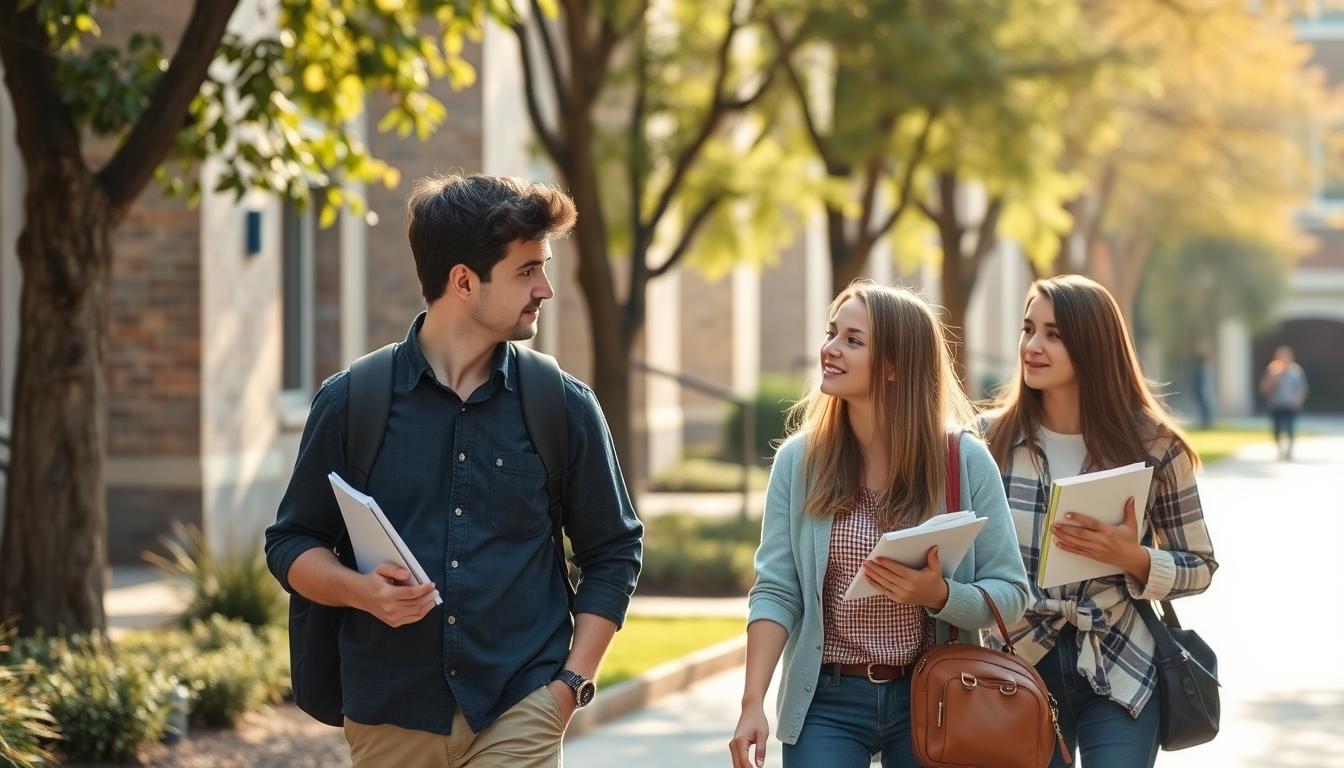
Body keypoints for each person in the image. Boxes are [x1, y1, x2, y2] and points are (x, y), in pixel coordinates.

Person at [265, 174, 642, 768]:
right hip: (391, 714)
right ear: (464, 281)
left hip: (521, 707)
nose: (545, 289)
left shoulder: (562, 405)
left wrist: (570, 686)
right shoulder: (351, 401)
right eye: (526, 271)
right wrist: (360, 592)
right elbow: (291, 542)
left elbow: (615, 549)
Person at [730, 280, 1030, 768]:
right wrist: (751, 704)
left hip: (931, 697)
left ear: (894, 365)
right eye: (832, 334)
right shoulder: (799, 462)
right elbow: (777, 590)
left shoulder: (964, 461)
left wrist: (939, 595)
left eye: (853, 340)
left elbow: (1013, 593)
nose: (830, 350)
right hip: (825, 698)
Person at [982, 275, 1217, 768]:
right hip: (1016, 666)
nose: (1033, 345)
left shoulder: (1155, 447)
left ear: (1092, 344)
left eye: (1054, 334)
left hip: (1121, 661)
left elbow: (1199, 566)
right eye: (1029, 329)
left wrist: (1131, 557)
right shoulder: (985, 444)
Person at [1259, 345, 1308, 460]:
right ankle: (1279, 449)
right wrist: (1274, 378)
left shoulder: (1296, 371)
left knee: (1290, 428)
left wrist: (1297, 400)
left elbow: (1302, 388)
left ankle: (1289, 451)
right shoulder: (1272, 369)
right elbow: (1264, 388)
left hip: (1290, 406)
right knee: (1276, 429)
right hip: (1276, 405)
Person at [1191, 351, 1214, 430]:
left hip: (1201, 392)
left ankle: (1206, 423)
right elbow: (1199, 383)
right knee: (1205, 409)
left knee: (1205, 409)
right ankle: (1206, 424)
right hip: (1201, 393)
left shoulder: (1200, 369)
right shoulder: (1200, 370)